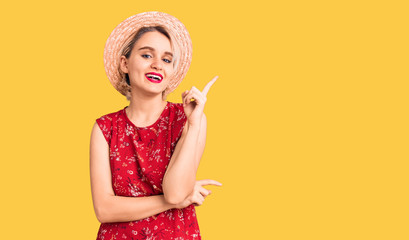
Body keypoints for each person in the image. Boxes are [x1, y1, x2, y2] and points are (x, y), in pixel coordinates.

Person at [89, 11, 222, 239]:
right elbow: (104, 210)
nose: (157, 65)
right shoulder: (105, 128)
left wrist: (192, 124)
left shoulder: (188, 119)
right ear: (125, 63)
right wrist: (179, 201)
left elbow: (175, 192)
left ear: (171, 72)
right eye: (147, 55)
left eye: (166, 59)